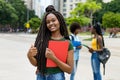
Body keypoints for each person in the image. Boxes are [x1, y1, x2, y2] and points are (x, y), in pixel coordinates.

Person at [27, 5, 74, 80]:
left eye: (53, 20)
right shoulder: (42, 41)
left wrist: (54, 58)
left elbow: (69, 70)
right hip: (41, 75)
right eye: (48, 22)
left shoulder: (67, 43)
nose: (51, 23)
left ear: (59, 21)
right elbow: (36, 64)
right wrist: (29, 56)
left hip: (57, 76)